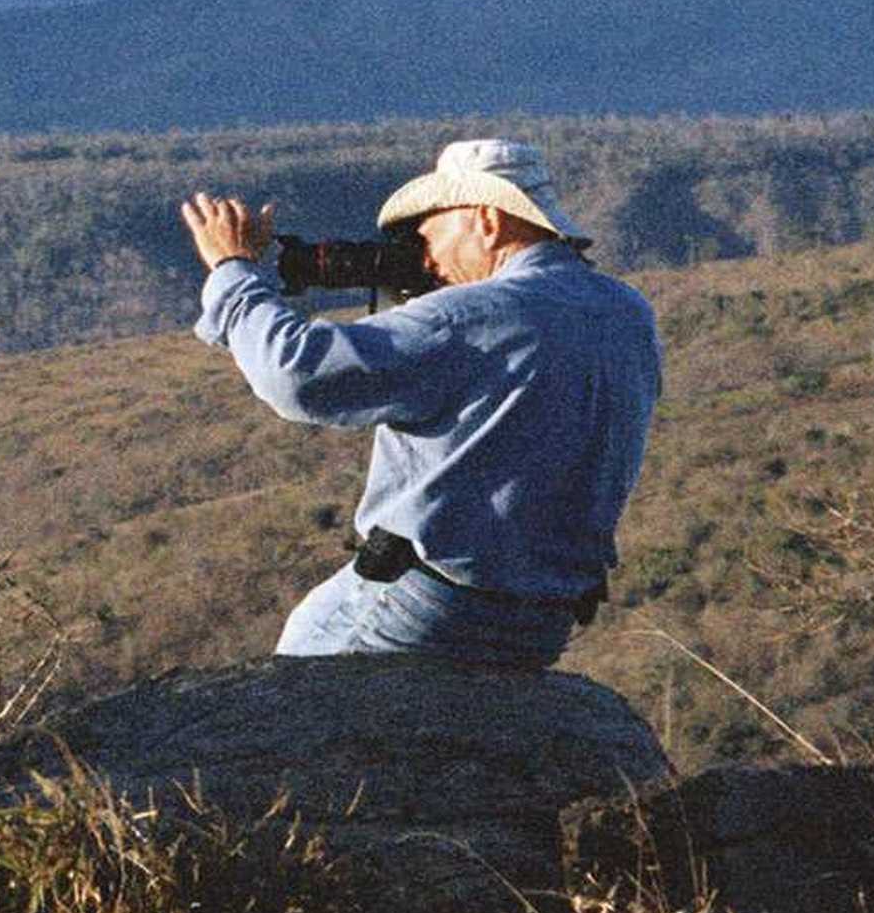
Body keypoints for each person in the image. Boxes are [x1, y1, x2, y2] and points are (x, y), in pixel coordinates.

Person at [181, 136, 662, 670]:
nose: (424, 255)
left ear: (487, 221)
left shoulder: (471, 317)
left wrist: (234, 272)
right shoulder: (628, 312)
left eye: (428, 230)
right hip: (543, 623)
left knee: (290, 683)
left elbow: (294, 374)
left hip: (429, 609)